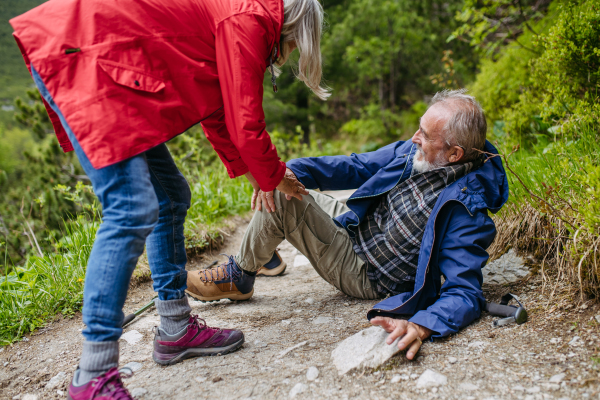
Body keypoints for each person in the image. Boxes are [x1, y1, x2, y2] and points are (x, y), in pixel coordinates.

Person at [10, 0, 327, 398]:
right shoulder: (252, 20)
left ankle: (176, 327)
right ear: (297, 28)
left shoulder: (245, 14)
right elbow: (246, 122)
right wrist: (274, 176)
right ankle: (94, 375)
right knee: (131, 209)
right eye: (298, 44)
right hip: (88, 57)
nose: (294, 51)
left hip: (97, 56)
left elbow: (218, 110)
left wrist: (261, 177)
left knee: (170, 194)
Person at [186, 89, 509, 360]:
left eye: (424, 135)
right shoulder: (415, 154)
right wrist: (285, 172)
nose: (414, 138)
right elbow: (354, 167)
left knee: (285, 202)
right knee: (287, 187)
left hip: (364, 271)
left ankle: (240, 276)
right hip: (354, 229)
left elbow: (465, 292)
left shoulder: (466, 210)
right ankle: (264, 249)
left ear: (454, 154)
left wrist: (422, 324)